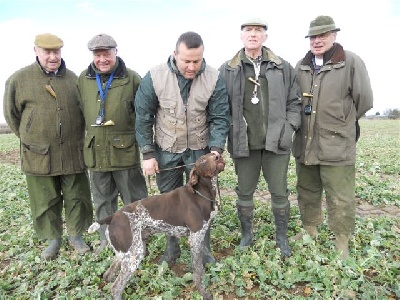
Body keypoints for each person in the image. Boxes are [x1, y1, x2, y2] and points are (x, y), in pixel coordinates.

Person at [134, 31, 230, 265]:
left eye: (196, 61)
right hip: (166, 150)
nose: (191, 66)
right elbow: (143, 117)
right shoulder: (154, 76)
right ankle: (172, 250)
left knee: (203, 202)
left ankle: (204, 250)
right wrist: (148, 153)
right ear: (175, 54)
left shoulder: (214, 77)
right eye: (186, 60)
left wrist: (216, 148)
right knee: (169, 203)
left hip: (200, 151)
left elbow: (220, 117)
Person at [3, 33, 93, 260]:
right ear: (36, 52)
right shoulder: (19, 79)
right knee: (45, 199)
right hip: (38, 153)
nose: (53, 57)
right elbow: (12, 116)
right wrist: (33, 136)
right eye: (47, 52)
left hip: (72, 151)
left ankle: (76, 235)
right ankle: (53, 239)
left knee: (77, 196)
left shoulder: (74, 80)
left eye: (57, 52)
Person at [219, 18, 301, 257]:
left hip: (277, 142)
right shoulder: (228, 69)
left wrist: (289, 128)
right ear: (241, 36)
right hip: (244, 144)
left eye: (258, 31)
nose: (253, 35)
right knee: (244, 191)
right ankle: (246, 235)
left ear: (266, 36)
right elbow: (221, 107)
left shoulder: (283, 67)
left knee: (279, 191)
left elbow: (294, 102)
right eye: (248, 31)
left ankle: (282, 237)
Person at [293, 16, 373, 259]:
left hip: (337, 144)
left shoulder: (350, 62)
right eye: (313, 37)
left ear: (334, 36)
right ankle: (310, 230)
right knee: (307, 189)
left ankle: (342, 241)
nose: (317, 41)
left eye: (322, 36)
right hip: (305, 143)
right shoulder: (301, 66)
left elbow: (364, 100)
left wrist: (340, 123)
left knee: (340, 196)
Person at [77, 33, 148, 255]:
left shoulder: (133, 78)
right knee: (102, 201)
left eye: (106, 53)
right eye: (97, 55)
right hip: (96, 153)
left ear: (115, 52)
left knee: (134, 201)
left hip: (124, 153)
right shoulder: (83, 79)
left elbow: (143, 115)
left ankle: (138, 241)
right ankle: (107, 241)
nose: (102, 59)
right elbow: (80, 111)